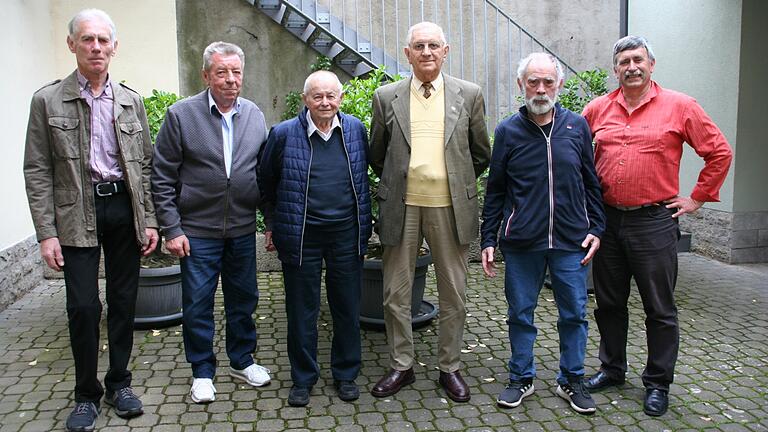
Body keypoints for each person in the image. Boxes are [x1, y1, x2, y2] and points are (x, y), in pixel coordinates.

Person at [582, 35, 733, 417]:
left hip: (653, 222)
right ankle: (612, 369)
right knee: (609, 303)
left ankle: (657, 383)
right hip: (607, 222)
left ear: (651, 64)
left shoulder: (680, 106)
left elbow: (718, 151)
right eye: (623, 62)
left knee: (659, 308)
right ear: (614, 70)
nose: (631, 67)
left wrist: (697, 197)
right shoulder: (597, 109)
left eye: (638, 60)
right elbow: (575, 155)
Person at [23, 9, 158, 431]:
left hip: (123, 207)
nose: (96, 47)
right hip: (74, 213)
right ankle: (86, 394)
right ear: (72, 45)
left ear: (114, 47)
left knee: (123, 302)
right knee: (83, 306)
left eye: (103, 40)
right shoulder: (47, 100)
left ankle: (120, 382)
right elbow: (37, 169)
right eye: (87, 39)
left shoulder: (130, 100)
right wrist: (46, 233)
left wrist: (149, 221)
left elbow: (147, 166)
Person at [369, 21, 491, 403]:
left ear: (445, 50)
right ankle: (401, 364)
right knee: (395, 292)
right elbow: (378, 153)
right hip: (401, 207)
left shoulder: (468, 94)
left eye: (433, 45)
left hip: (450, 208)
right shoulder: (386, 95)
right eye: (418, 46)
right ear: (407, 54)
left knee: (454, 293)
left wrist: (452, 180)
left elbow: (480, 152)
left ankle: (449, 367)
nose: (426, 52)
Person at [480, 53, 605, 415]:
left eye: (548, 82)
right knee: (520, 313)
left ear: (559, 85)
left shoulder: (577, 126)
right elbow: (497, 190)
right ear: (521, 85)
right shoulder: (507, 131)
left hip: (570, 242)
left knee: (574, 314)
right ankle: (521, 377)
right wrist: (489, 239)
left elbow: (590, 182)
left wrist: (596, 227)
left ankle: (572, 379)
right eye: (533, 82)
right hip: (522, 243)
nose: (540, 89)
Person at [151, 41, 271, 404]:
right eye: (222, 72)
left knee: (244, 298)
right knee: (198, 303)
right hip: (196, 232)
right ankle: (202, 371)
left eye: (236, 72)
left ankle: (241, 360)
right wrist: (172, 228)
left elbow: (262, 174)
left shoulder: (254, 114)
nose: (231, 79)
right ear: (206, 75)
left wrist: (270, 224)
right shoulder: (181, 115)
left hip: (241, 227)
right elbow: (162, 176)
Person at [259, 70, 372, 407]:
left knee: (347, 307)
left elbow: (363, 174)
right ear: (305, 99)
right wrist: (273, 223)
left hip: (346, 234)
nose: (325, 103)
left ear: (341, 98)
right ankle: (303, 378)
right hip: (301, 235)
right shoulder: (282, 134)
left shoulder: (354, 129)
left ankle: (346, 373)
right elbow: (266, 181)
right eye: (318, 96)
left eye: (331, 96)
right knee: (301, 310)